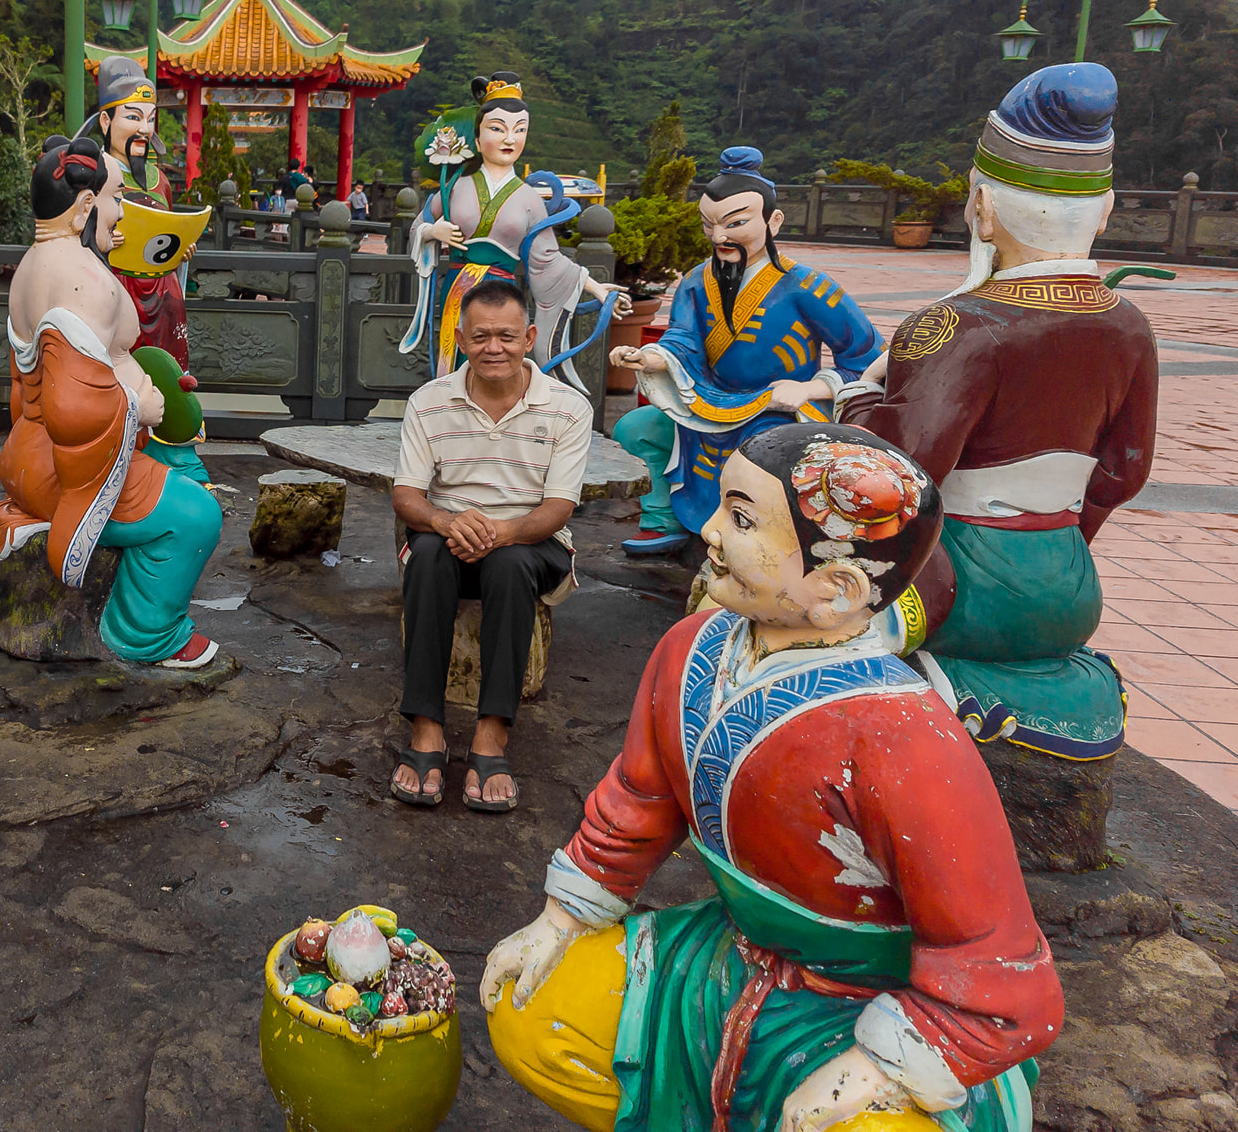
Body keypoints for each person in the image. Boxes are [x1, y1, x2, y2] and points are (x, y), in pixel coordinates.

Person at [480, 423, 1062, 1132]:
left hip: (875, 1006)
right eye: (724, 505)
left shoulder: (906, 737)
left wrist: (884, 1062)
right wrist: (561, 916)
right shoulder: (688, 649)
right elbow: (639, 801)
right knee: (528, 1007)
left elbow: (997, 966)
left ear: (837, 587)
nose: (709, 529)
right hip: (722, 965)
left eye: (742, 518)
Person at [840, 62, 1156, 870]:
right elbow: (1124, 471)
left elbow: (901, 472)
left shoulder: (956, 326)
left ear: (981, 204)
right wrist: (1057, 537)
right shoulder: (1130, 327)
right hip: (1068, 577)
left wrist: (854, 403)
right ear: (1107, 207)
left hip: (967, 584)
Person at [0, 137, 224, 669]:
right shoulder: (82, 279)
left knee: (182, 467)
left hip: (27, 452)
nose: (125, 213)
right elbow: (73, 404)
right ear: (86, 204)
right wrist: (138, 409)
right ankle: (144, 635)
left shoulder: (36, 261)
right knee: (197, 516)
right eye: (118, 198)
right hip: (67, 465)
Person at [610, 147, 883, 557]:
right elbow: (683, 339)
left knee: (761, 454)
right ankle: (664, 514)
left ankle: (760, 538)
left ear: (773, 221)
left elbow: (867, 358)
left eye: (735, 223)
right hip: (706, 403)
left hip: (776, 409)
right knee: (636, 428)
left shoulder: (807, 286)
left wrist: (810, 389)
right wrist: (651, 358)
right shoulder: (695, 282)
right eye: (710, 225)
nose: (720, 237)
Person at [390, 279, 593, 812]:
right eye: (480, 337)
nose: (493, 348)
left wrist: (497, 531)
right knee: (430, 553)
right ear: (461, 339)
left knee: (508, 561)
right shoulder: (427, 403)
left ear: (529, 337)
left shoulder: (568, 409)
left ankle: (493, 730)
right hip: (448, 536)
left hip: (533, 544)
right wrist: (445, 520)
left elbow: (557, 510)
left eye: (506, 336)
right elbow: (407, 495)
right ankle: (427, 727)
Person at [399, 72, 629, 379]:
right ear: (478, 140)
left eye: (519, 130)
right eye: (498, 128)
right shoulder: (454, 186)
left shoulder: (528, 198)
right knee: (455, 360)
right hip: (457, 290)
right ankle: (453, 418)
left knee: (498, 358)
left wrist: (597, 289)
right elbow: (418, 227)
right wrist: (432, 231)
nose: (510, 139)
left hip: (502, 294)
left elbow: (549, 258)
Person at [83, 56, 191, 366]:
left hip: (162, 293)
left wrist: (181, 248)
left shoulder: (160, 181)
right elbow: (70, 232)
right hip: (114, 289)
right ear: (106, 122)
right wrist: (99, 241)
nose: (144, 129)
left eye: (150, 119)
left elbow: (166, 233)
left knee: (166, 374)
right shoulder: (93, 175)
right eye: (133, 117)